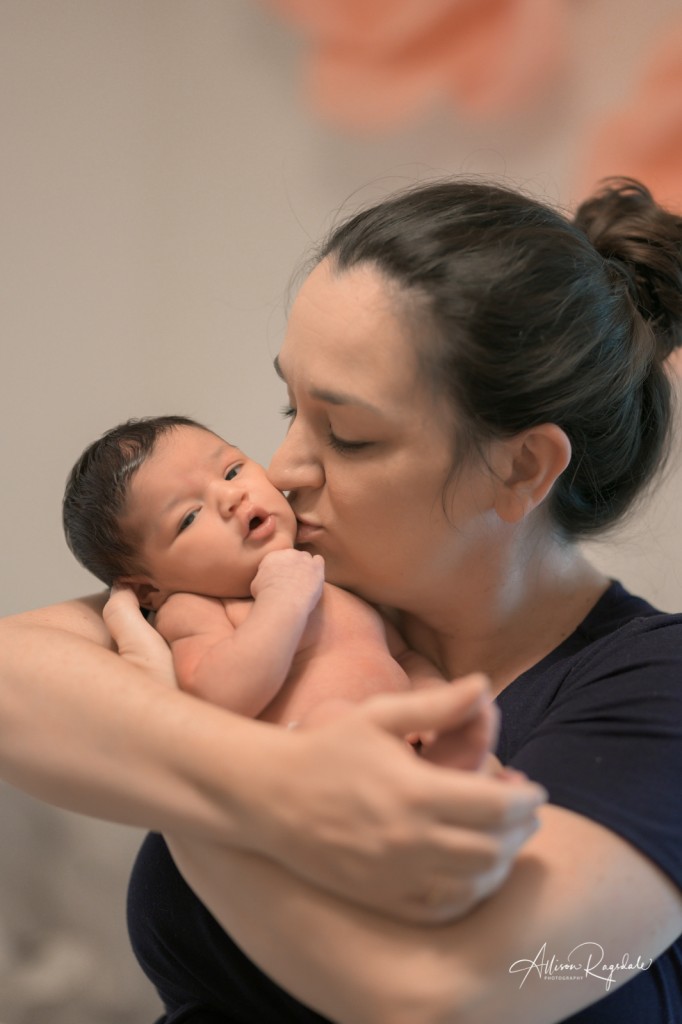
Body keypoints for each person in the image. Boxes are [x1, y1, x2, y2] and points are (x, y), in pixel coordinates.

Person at [0, 176, 680, 1024]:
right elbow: (15, 677)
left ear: (522, 467)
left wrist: (172, 758)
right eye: (290, 406)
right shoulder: (296, 581)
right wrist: (279, 781)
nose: (281, 469)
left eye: (347, 434)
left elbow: (439, 993)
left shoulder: (656, 688)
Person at [62, 415, 474, 737]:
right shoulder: (196, 610)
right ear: (149, 588)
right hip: (316, 774)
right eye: (188, 516)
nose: (230, 497)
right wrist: (282, 601)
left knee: (480, 768)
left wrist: (433, 705)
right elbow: (220, 696)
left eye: (231, 471)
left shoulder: (329, 568)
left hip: (408, 752)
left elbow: (403, 657)